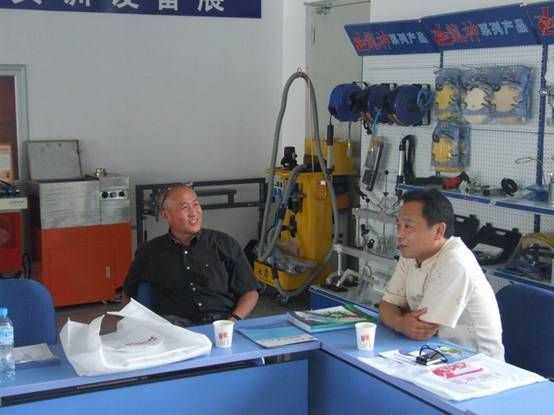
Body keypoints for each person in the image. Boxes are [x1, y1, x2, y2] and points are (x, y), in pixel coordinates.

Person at [379, 189, 504, 360]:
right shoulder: (411, 253)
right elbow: (386, 306)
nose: (399, 234)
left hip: (476, 362)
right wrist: (401, 322)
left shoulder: (455, 261)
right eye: (398, 225)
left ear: (438, 231)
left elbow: (421, 330)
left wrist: (399, 317)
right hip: (436, 351)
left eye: (408, 226)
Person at [124, 184, 259, 325]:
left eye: (195, 205)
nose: (193, 213)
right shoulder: (150, 252)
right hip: (174, 327)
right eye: (185, 207)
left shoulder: (224, 243)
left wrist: (233, 320)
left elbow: (250, 291)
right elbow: (129, 293)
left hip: (222, 323)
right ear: (165, 215)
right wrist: (136, 325)